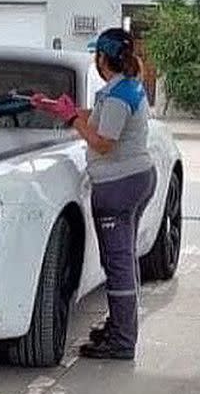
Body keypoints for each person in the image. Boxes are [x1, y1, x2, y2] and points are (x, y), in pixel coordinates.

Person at [32, 28, 156, 361]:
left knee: (117, 264)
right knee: (124, 259)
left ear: (103, 58)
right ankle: (120, 327)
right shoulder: (124, 89)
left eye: (96, 55)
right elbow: (98, 120)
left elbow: (103, 141)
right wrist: (60, 110)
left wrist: (73, 118)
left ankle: (122, 339)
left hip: (119, 185)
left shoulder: (118, 97)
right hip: (134, 179)